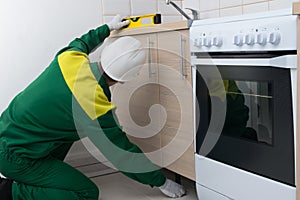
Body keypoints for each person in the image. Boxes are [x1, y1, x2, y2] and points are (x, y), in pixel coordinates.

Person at [0, 15, 186, 200]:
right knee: (86, 193)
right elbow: (121, 154)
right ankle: (9, 192)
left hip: (6, 133)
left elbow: (82, 42)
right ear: (123, 80)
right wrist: (161, 181)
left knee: (69, 125)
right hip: (16, 157)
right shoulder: (94, 105)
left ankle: (27, 178)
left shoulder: (70, 58)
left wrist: (107, 28)